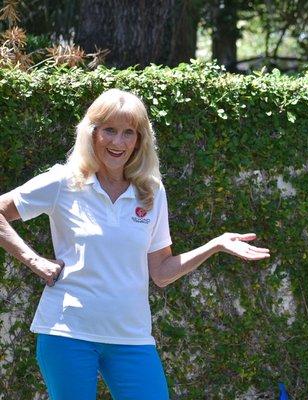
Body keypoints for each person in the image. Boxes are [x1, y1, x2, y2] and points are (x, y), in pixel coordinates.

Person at [0, 89, 270, 399]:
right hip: (67, 332)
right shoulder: (64, 181)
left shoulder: (151, 192)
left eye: (129, 132)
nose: (118, 142)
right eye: (110, 131)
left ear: (140, 140)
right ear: (93, 133)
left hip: (132, 337)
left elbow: (162, 272)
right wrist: (35, 261)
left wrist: (215, 245)